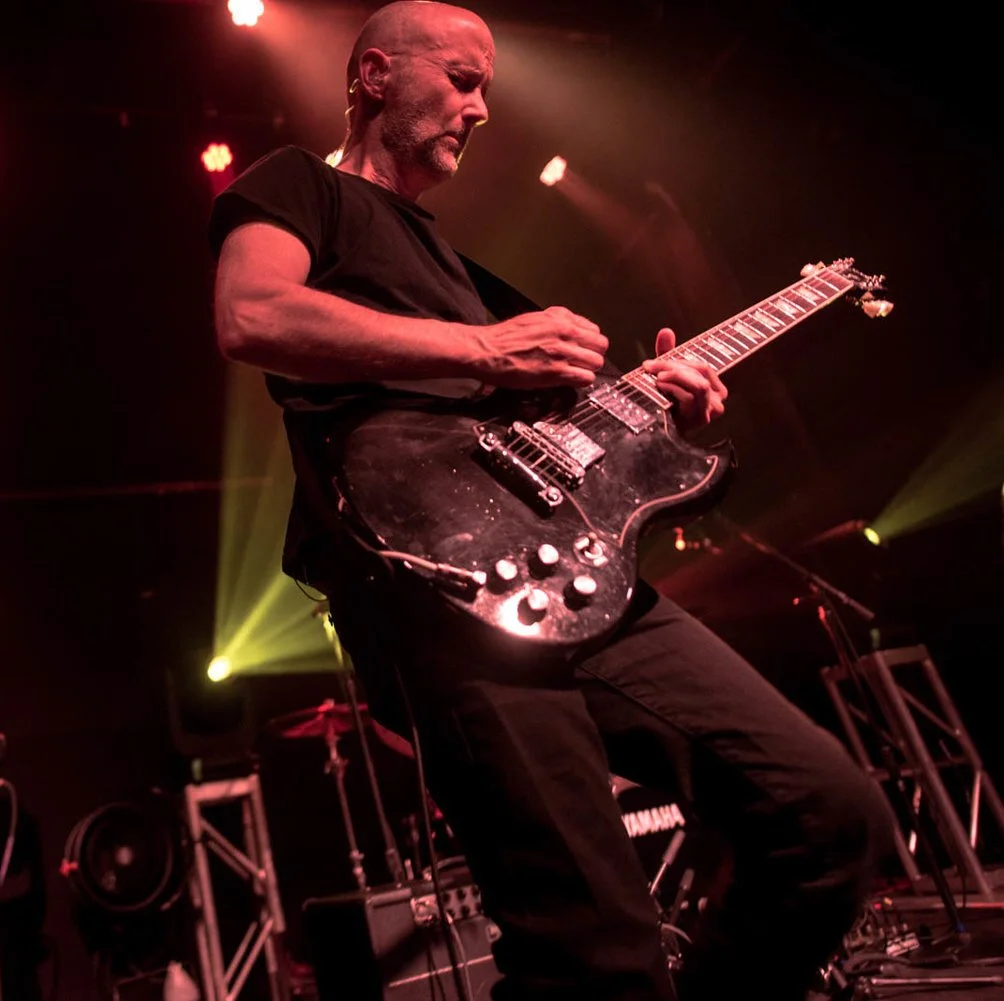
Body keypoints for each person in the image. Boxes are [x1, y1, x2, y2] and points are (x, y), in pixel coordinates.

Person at [208, 4, 893, 999]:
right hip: (440, 589)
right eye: (462, 79)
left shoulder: (453, 265)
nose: (481, 108)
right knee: (596, 949)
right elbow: (251, 312)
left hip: (579, 572)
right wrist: (489, 347)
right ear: (374, 74)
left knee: (827, 812)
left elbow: (536, 427)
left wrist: (649, 413)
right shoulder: (299, 184)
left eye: (487, 87)